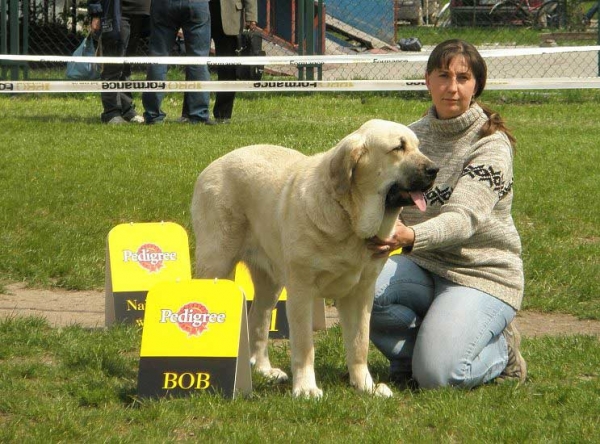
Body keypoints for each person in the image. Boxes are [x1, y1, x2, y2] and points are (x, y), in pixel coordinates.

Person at [367, 39, 526, 390]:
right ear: (427, 80)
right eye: (443, 75)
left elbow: (463, 219)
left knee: (440, 377)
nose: (451, 88)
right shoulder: (410, 137)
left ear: (476, 86)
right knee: (357, 283)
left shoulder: (490, 143)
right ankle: (416, 355)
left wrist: (410, 237)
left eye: (463, 78)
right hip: (422, 264)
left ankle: (500, 351)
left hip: (479, 274)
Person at [142, 0, 214, 125]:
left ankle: (153, 115)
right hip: (196, 4)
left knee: (158, 58)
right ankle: (198, 114)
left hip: (164, 5)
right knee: (198, 59)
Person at [88, 0, 150, 124]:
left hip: (142, 12)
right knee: (113, 65)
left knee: (126, 65)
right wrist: (95, 12)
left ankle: (127, 109)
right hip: (117, 12)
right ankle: (111, 112)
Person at [209, 0, 258, 123]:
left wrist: (251, 16)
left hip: (231, 16)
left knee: (227, 68)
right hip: (202, 10)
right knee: (196, 64)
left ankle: (223, 114)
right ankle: (193, 113)